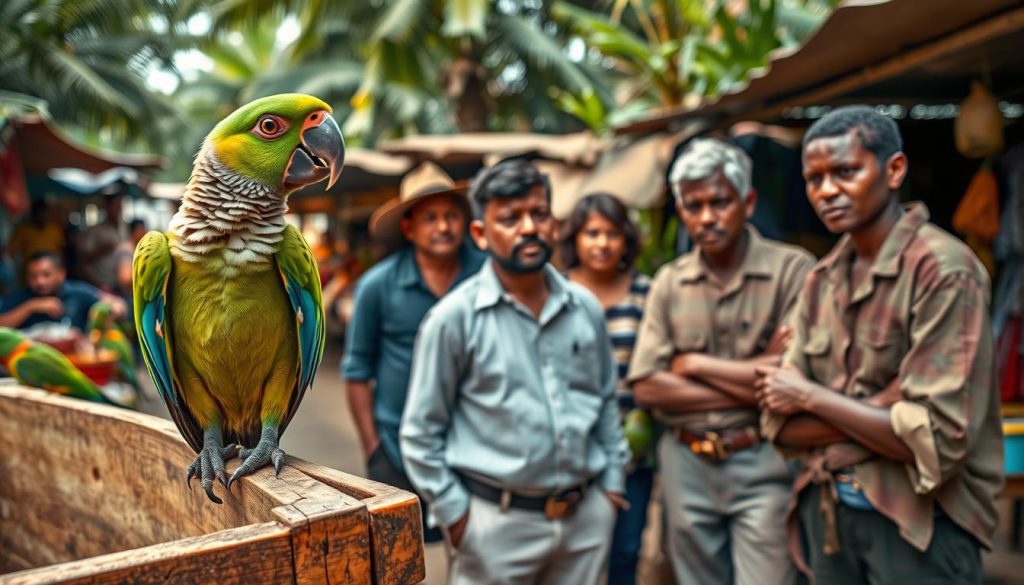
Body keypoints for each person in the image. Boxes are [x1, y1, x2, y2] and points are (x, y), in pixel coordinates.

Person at [756, 106, 1003, 584]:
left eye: (845, 172)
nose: (826, 191)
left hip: (920, 525)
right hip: (830, 512)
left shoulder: (944, 272)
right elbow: (777, 424)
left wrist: (812, 397)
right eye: (814, 179)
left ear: (893, 171)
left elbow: (939, 438)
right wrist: (884, 407)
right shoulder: (820, 280)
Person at [401, 159, 629, 585]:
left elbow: (605, 405)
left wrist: (611, 491)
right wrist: (459, 518)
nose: (529, 228)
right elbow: (419, 434)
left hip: (584, 523)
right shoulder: (452, 319)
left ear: (554, 224)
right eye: (509, 218)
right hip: (493, 529)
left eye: (539, 214)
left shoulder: (586, 309)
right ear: (481, 234)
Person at [628, 138, 815, 585]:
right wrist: (760, 369)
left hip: (765, 458)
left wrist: (692, 364)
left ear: (747, 202)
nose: (707, 217)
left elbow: (795, 384)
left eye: (719, 202)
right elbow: (647, 387)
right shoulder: (669, 284)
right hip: (686, 463)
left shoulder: (794, 270)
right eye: (694, 206)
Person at [341, 162, 485, 543]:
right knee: (399, 556)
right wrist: (374, 450)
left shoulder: (488, 276)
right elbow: (357, 371)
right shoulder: (377, 286)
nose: (443, 227)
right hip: (398, 449)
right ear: (409, 227)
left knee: (475, 551)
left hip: (478, 447)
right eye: (431, 218)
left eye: (451, 216)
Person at [560, 192, 652, 585]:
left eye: (612, 233)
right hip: (568, 451)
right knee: (568, 554)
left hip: (633, 449)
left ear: (626, 240)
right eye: (592, 232)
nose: (602, 243)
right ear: (575, 239)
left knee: (625, 551)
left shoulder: (647, 293)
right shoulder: (553, 292)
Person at [0, 251, 125, 331]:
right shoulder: (20, 297)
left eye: (46, 274)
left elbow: (116, 304)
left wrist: (110, 311)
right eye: (33, 276)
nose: (40, 281)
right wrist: (31, 307)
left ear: (61, 274)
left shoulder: (77, 292)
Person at [78, 196, 126, 292]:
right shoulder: (96, 231)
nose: (118, 210)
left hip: (120, 284)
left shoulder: (124, 228)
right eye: (116, 207)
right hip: (102, 285)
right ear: (107, 207)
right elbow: (83, 260)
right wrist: (102, 249)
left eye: (120, 207)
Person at [9, 199, 65, 276]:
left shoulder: (55, 230)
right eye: (39, 212)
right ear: (33, 214)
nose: (42, 215)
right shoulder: (23, 230)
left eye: (44, 212)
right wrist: (20, 267)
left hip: (50, 271)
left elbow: (60, 251)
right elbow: (14, 252)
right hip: (29, 272)